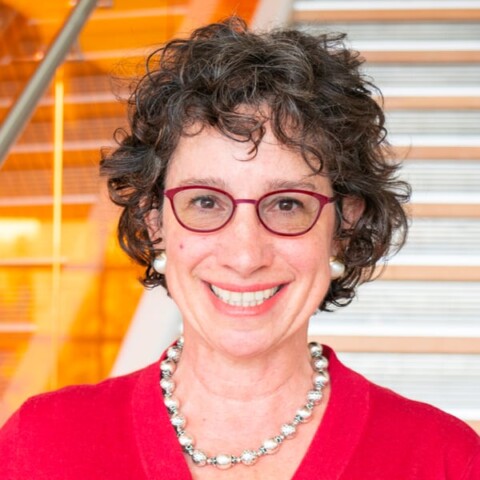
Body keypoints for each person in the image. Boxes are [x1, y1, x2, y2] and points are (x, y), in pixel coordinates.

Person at [0, 17, 479, 480]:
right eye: (206, 202)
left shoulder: (447, 461)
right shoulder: (38, 445)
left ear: (343, 225)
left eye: (287, 204)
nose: (245, 254)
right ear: (154, 220)